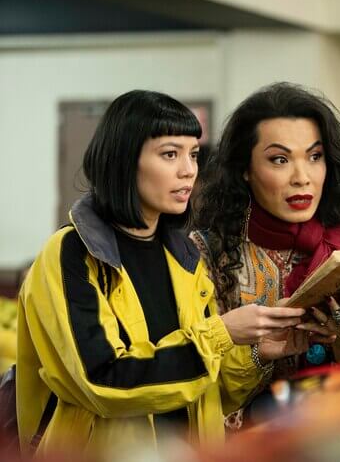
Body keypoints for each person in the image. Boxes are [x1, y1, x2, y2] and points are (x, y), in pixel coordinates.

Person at [15, 90, 310, 455]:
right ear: (124, 161)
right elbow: (104, 381)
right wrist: (220, 334)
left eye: (194, 154)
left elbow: (203, 391)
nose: (188, 170)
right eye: (170, 154)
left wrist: (257, 354)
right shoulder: (73, 253)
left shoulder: (182, 255)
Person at [192, 82, 340, 426]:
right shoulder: (206, 254)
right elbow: (195, 393)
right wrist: (258, 354)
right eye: (280, 159)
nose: (302, 177)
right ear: (245, 169)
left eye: (315, 157)